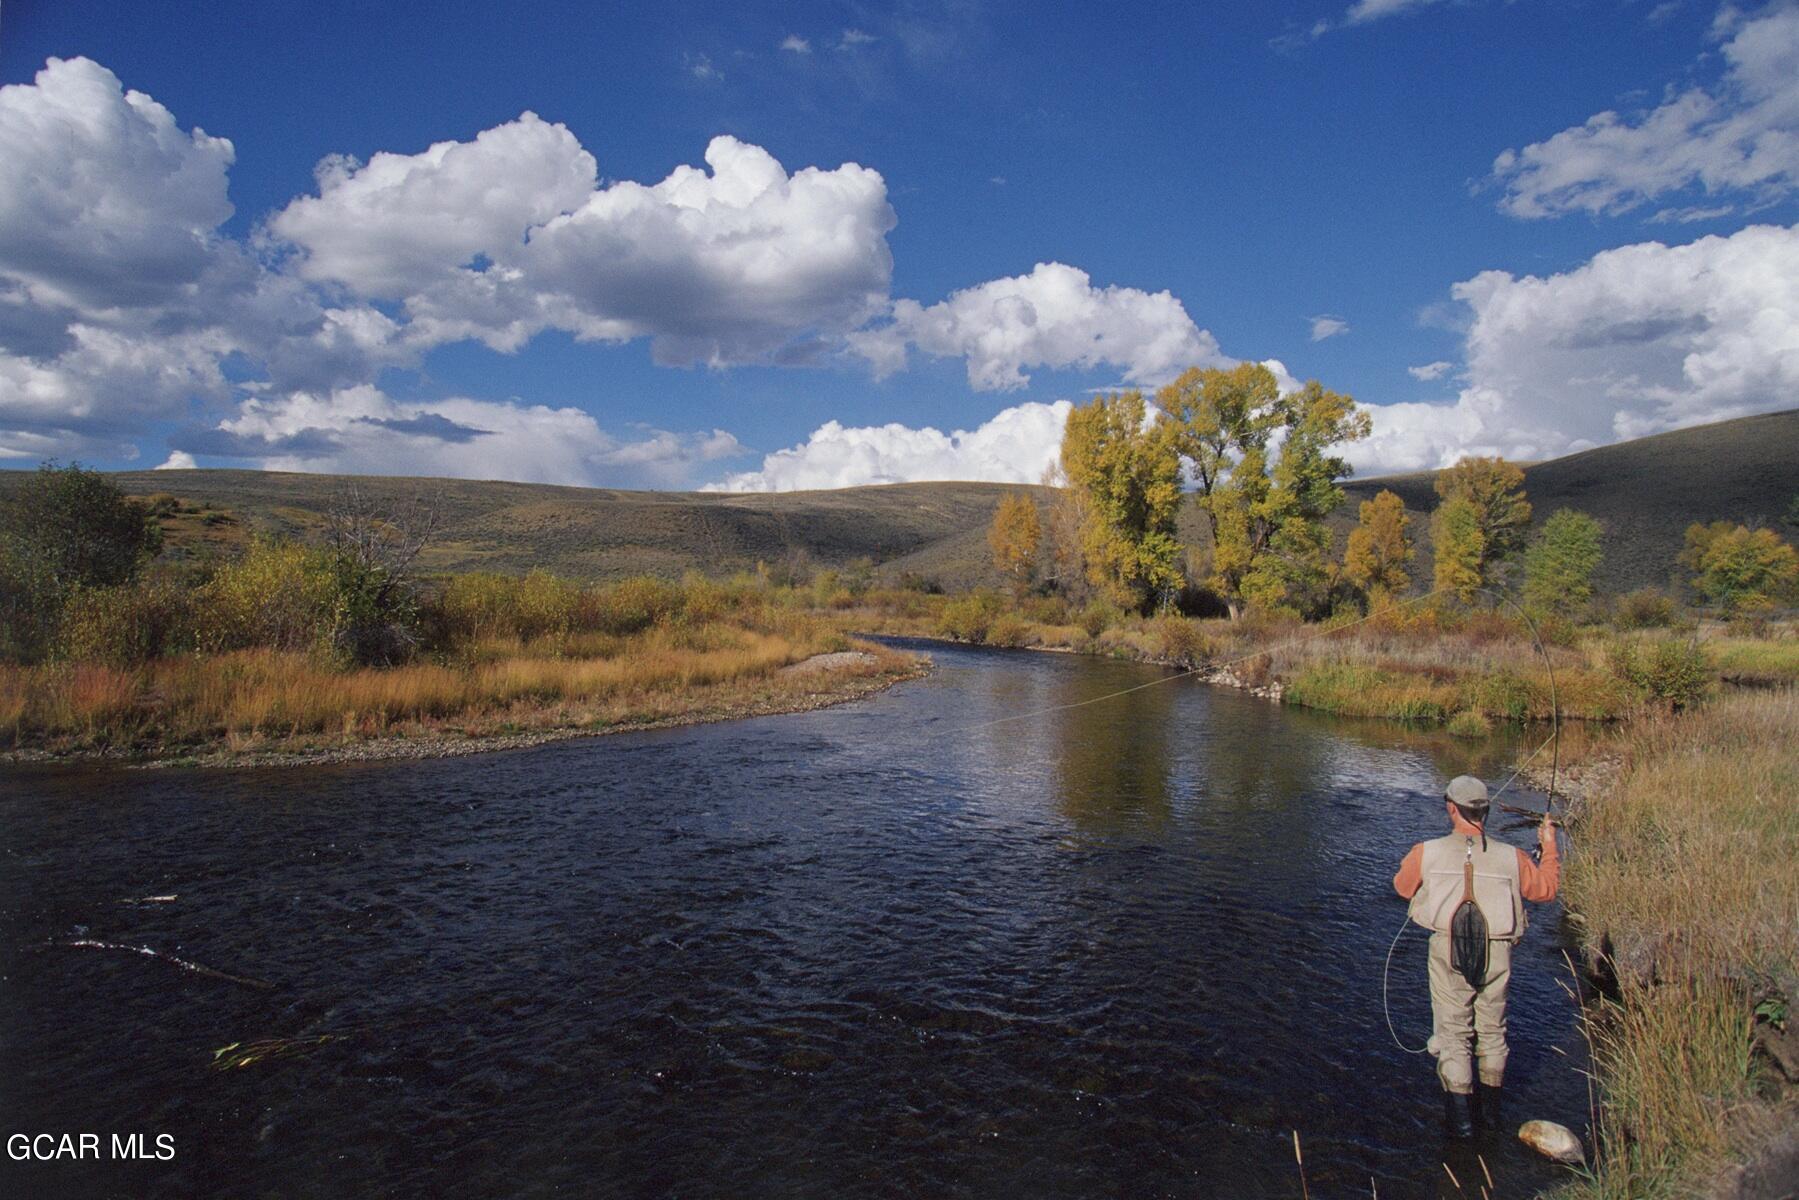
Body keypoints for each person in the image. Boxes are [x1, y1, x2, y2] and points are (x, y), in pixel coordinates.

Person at [1393, 775, 1559, 1137]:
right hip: (1498, 953)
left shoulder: (1426, 851)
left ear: (1451, 809)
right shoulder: (1513, 857)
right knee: (1492, 1032)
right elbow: (1546, 890)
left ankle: (1462, 1129)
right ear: (1485, 811)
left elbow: (1402, 887)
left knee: (1453, 1036)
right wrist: (1548, 847)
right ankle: (1491, 1119)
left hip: (1446, 950)